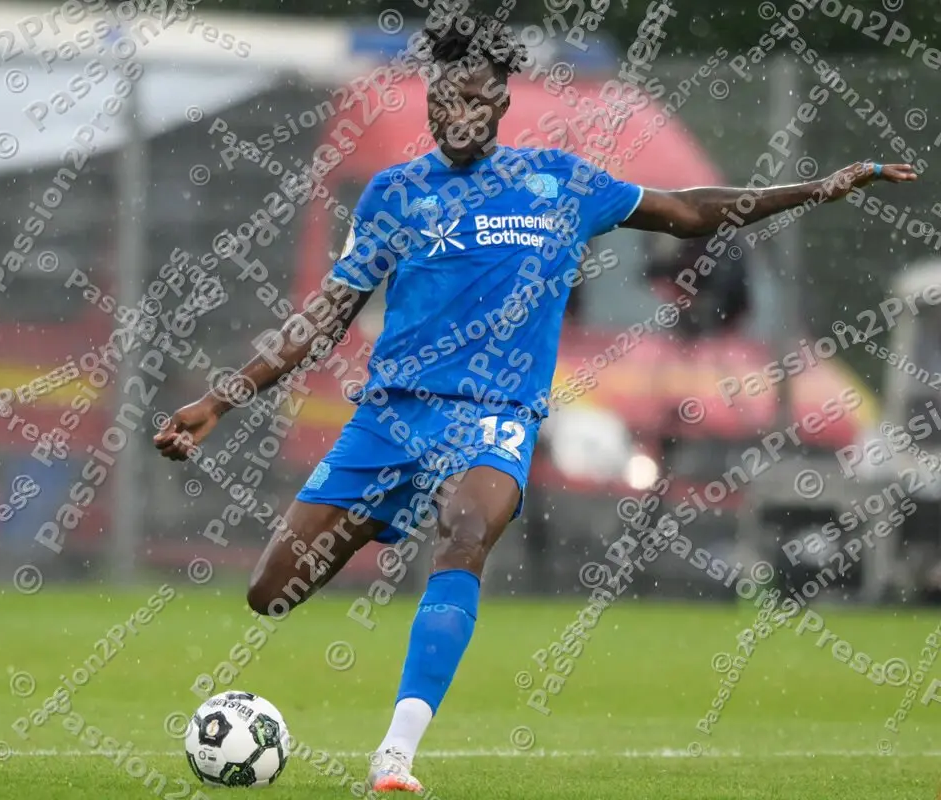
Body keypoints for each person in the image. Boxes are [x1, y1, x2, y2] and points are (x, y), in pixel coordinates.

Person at [154, 14, 916, 794]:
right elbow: (324, 316)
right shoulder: (396, 193)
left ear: (501, 104)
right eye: (442, 101)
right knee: (271, 592)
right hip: (390, 416)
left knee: (465, 536)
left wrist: (813, 190)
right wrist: (219, 400)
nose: (457, 114)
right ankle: (376, 520)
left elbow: (688, 209)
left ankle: (395, 755)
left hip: (492, 414)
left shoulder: (561, 183)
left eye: (474, 100)